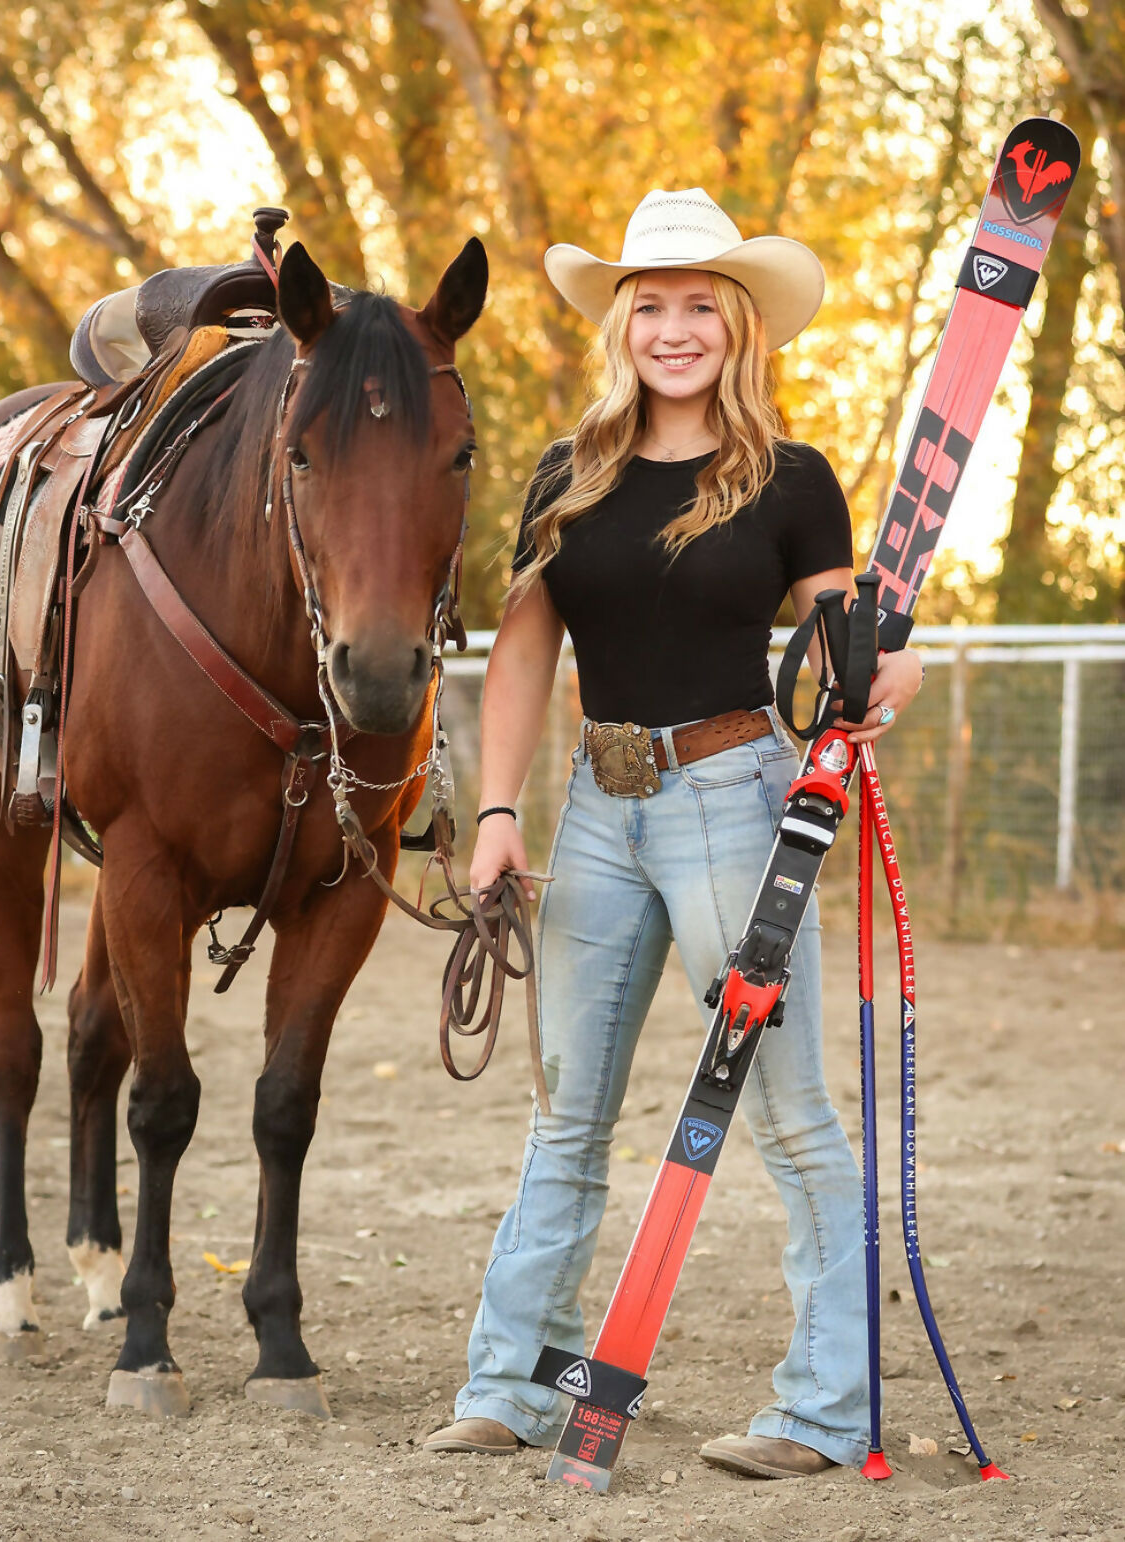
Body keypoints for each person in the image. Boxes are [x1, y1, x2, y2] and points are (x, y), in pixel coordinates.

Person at [423, 188, 923, 1480]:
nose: (677, 326)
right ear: (622, 323)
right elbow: (525, 649)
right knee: (563, 1115)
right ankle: (510, 1387)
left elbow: (842, 645)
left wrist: (881, 676)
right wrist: (495, 814)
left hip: (736, 798)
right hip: (595, 810)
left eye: (703, 303)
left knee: (792, 1115)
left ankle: (822, 1408)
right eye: (653, 304)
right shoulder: (568, 472)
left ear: (738, 323)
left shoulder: (792, 479)